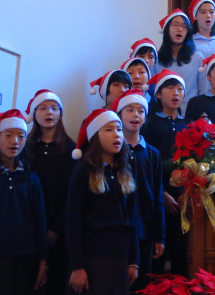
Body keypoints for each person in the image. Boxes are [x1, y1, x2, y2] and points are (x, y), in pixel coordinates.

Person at [0, 110, 48, 295]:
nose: (15, 141)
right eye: (8, 135)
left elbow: (40, 222)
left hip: (27, 259)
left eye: (21, 136)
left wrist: (44, 263)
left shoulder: (31, 179)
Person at [66, 109, 138, 294]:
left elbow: (131, 219)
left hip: (120, 255)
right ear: (95, 136)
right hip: (94, 257)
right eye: (108, 130)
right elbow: (73, 221)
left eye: (119, 129)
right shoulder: (83, 173)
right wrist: (77, 266)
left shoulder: (125, 172)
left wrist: (134, 261)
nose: (117, 135)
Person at [110, 89, 165, 292]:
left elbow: (157, 195)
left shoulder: (153, 154)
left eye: (141, 111)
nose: (135, 115)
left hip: (145, 230)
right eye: (130, 110)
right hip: (118, 231)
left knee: (142, 286)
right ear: (119, 114)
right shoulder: (112, 151)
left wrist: (160, 236)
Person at [23, 90, 76, 295]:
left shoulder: (72, 150)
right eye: (43, 108)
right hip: (28, 231)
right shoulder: (24, 148)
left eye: (54, 108)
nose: (49, 112)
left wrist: (55, 229)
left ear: (61, 115)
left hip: (60, 233)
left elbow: (72, 196)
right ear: (34, 114)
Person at [140, 70, 189, 276]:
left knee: (181, 257)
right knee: (156, 260)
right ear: (158, 94)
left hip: (184, 198)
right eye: (169, 88)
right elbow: (147, 164)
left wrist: (187, 193)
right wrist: (162, 194)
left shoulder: (188, 124)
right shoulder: (149, 123)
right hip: (157, 198)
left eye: (179, 89)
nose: (175, 93)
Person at [157, 8, 206, 115]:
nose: (180, 29)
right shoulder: (157, 58)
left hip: (190, 114)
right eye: (176, 25)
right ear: (167, 28)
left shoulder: (197, 57)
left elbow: (203, 90)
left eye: (184, 27)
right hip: (162, 115)